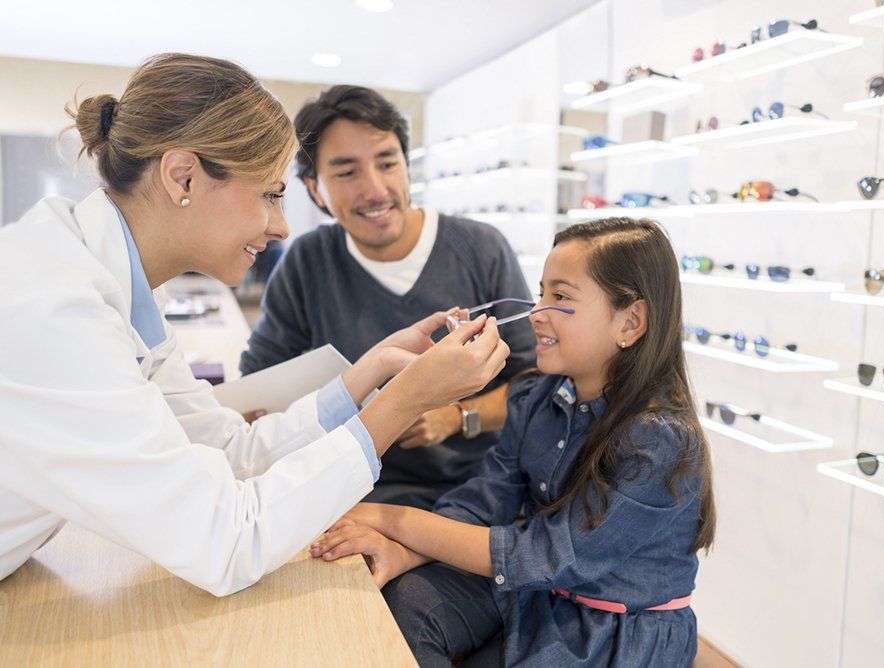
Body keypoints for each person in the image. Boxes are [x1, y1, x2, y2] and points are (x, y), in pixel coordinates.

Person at [0, 53, 509, 597]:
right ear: (183, 176)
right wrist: (400, 403)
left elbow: (230, 453)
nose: (281, 226)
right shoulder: (54, 309)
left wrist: (372, 373)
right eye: (270, 194)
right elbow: (225, 541)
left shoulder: (121, 291)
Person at [310, 217, 717, 667]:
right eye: (540, 292)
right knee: (408, 601)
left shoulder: (658, 440)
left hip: (609, 636)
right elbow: (487, 499)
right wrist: (405, 552)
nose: (536, 313)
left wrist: (392, 519)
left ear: (631, 321)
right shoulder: (535, 396)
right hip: (537, 595)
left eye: (560, 297)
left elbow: (547, 555)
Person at [239, 85, 536, 510]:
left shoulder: (481, 249)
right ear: (314, 188)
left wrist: (454, 418)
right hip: (347, 489)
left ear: (407, 167)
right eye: (346, 172)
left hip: (474, 490)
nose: (375, 189)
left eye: (387, 163)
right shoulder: (308, 260)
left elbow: (535, 383)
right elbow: (263, 381)